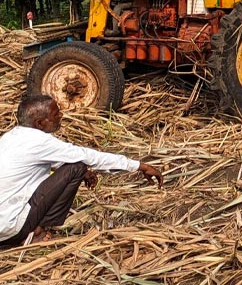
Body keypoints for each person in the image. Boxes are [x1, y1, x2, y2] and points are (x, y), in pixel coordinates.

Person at [0, 95, 163, 247]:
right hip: (11, 227)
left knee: (78, 167)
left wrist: (85, 172)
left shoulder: (10, 138)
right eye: (55, 114)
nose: (61, 116)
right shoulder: (39, 142)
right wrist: (140, 166)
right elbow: (88, 157)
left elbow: (44, 159)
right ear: (40, 123)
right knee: (76, 167)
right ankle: (37, 232)